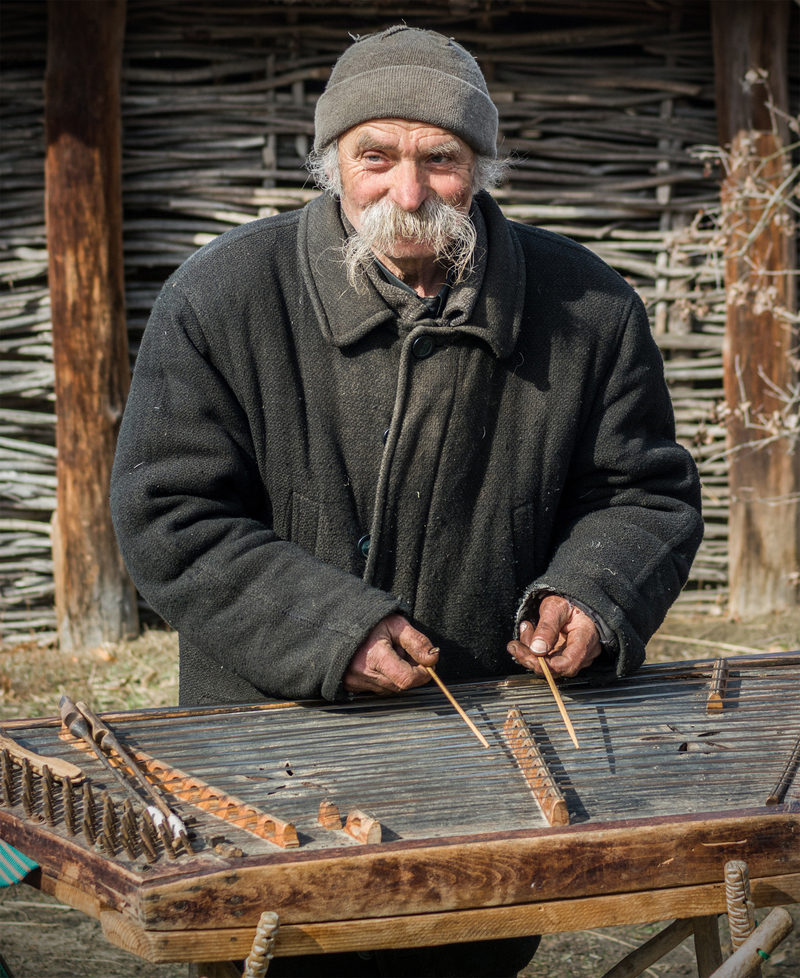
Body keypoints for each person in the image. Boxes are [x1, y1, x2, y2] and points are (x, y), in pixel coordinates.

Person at [110, 26, 703, 978]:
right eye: (374, 157)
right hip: (262, 753)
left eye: (442, 159)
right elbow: (168, 514)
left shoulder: (587, 310)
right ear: (332, 161)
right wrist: (332, 631)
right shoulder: (222, 298)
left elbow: (643, 494)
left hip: (482, 745)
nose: (409, 192)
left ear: (482, 165)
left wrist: (591, 594)